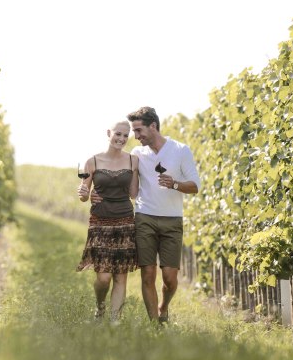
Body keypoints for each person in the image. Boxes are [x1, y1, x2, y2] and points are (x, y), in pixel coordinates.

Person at [91, 107, 200, 324]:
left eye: (139, 130)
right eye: (134, 131)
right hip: (144, 217)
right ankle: (154, 325)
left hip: (172, 220)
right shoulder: (138, 155)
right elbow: (120, 179)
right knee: (147, 274)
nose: (136, 136)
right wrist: (96, 191)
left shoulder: (180, 150)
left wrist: (175, 184)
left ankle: (164, 307)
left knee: (170, 279)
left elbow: (195, 186)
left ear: (153, 126)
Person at [76, 120, 140, 322]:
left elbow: (133, 193)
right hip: (100, 221)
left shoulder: (133, 161)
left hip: (125, 220)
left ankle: (115, 322)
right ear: (109, 133)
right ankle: (100, 306)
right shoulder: (92, 161)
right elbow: (83, 195)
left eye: (125, 135)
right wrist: (84, 192)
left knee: (121, 275)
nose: (121, 139)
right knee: (103, 277)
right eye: (118, 134)